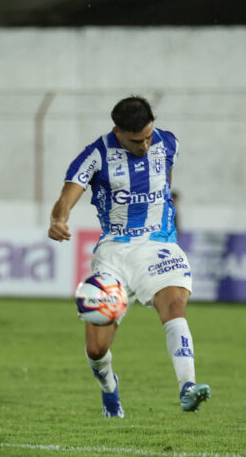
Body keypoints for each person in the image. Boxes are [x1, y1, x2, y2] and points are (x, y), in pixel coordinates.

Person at [47, 96, 210, 418]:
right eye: (137, 141)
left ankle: (188, 387)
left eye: (148, 137)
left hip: (159, 245)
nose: (145, 146)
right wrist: (58, 220)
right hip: (114, 255)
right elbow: (66, 197)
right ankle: (109, 388)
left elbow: (164, 184)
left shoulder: (168, 143)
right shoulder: (95, 155)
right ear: (118, 131)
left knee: (174, 307)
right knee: (97, 348)